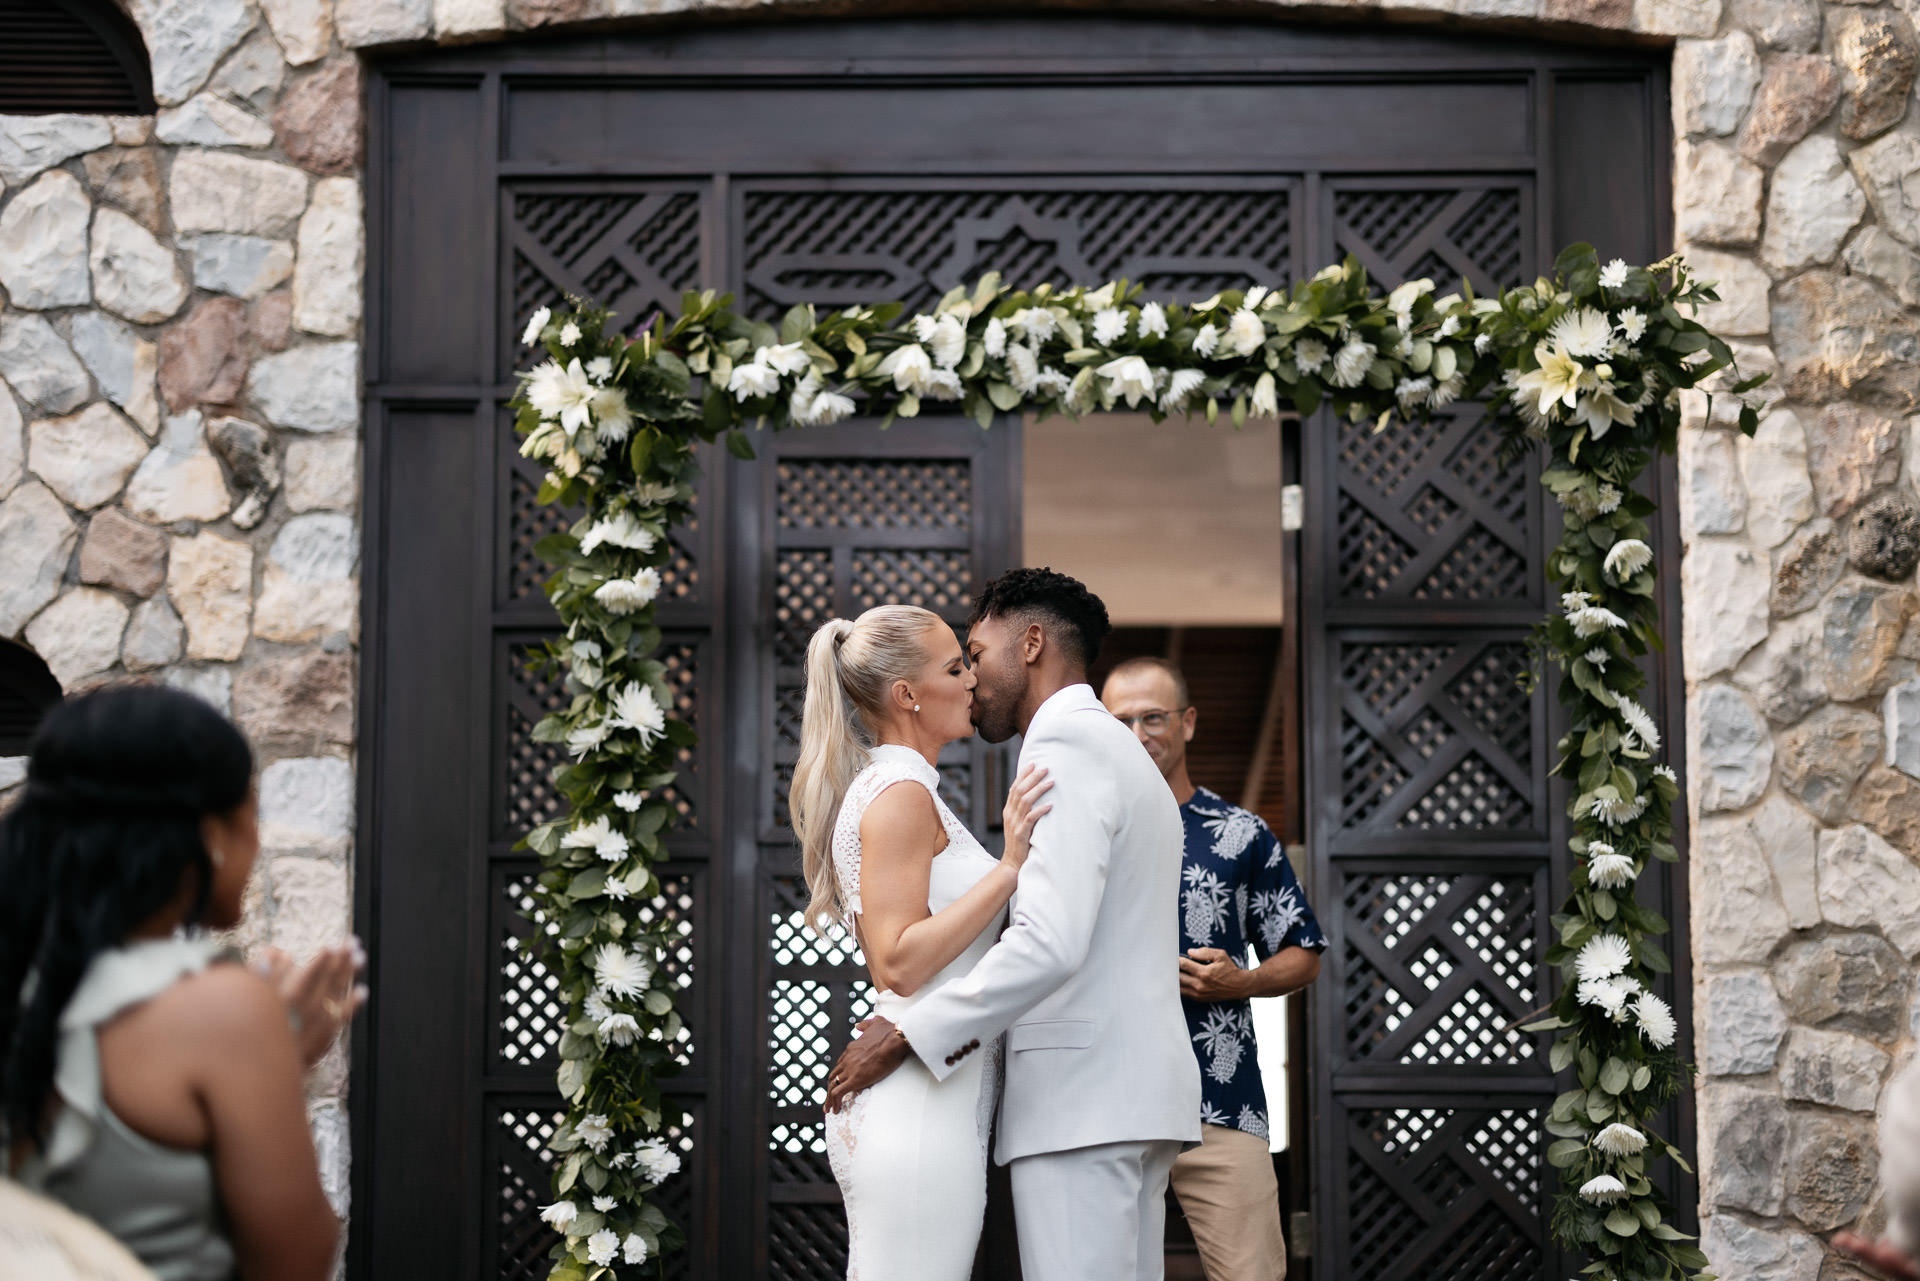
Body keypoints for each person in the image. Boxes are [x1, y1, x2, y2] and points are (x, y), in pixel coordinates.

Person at [825, 568, 1202, 1281]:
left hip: (1083, 1105)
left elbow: (1050, 940)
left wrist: (913, 1030)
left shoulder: (1067, 744)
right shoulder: (1126, 756)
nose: (973, 675)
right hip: (1127, 1099)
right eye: (957, 661)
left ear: (1030, 643)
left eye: (976, 650)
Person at [1, 684, 364, 1281]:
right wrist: (276, 1059)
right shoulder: (223, 1011)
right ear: (210, 833)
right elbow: (295, 1263)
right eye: (253, 810)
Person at [788, 603, 1054, 1280]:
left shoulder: (906, 789)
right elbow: (898, 961)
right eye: (955, 666)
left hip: (934, 1099)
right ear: (908, 695)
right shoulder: (901, 791)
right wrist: (1009, 870)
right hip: (918, 1113)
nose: (973, 680)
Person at [1101, 657, 1325, 1281]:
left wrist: (1245, 980)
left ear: (1189, 722)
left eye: (1154, 717)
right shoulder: (1079, 829)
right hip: (1103, 1098)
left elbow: (1303, 951)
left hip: (1221, 1100)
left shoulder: (1242, 833)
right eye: (1121, 721)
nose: (1139, 733)